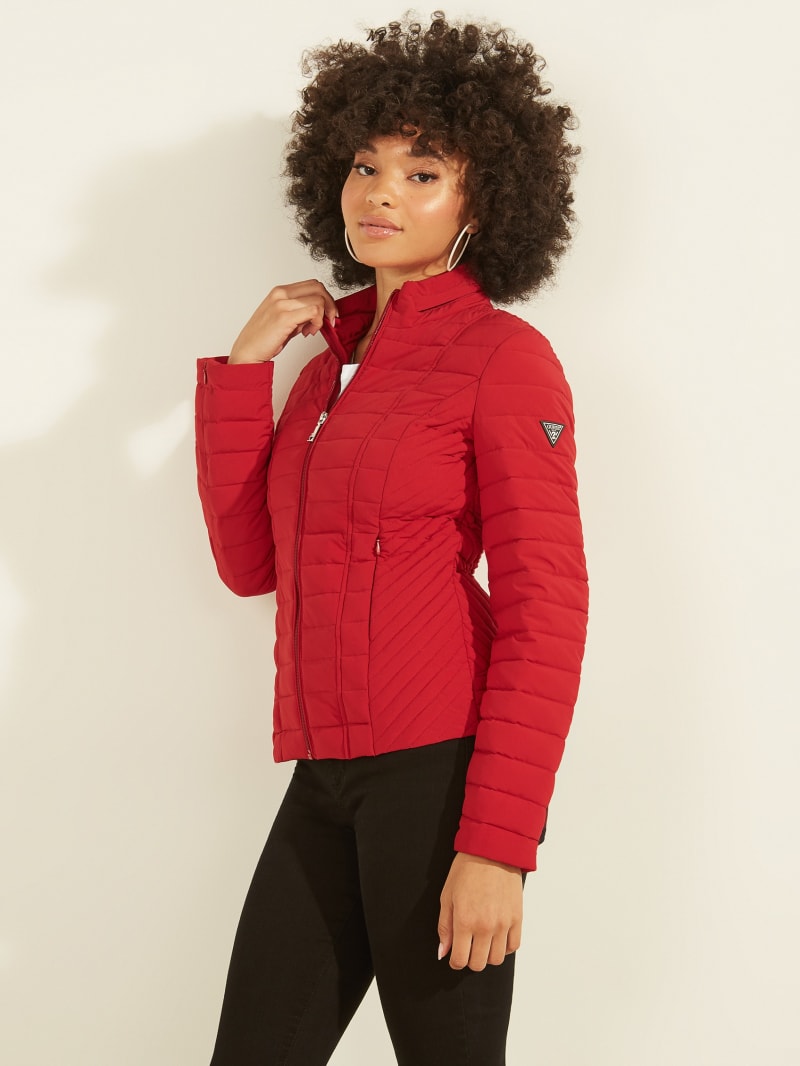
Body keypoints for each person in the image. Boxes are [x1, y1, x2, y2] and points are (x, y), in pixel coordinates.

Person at [195, 12, 588, 1065]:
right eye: (366, 166)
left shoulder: (504, 358)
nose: (380, 194)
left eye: (422, 174)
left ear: (482, 201)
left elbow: (547, 612)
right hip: (323, 776)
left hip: (439, 777)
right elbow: (250, 566)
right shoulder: (327, 367)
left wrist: (496, 846)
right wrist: (243, 375)